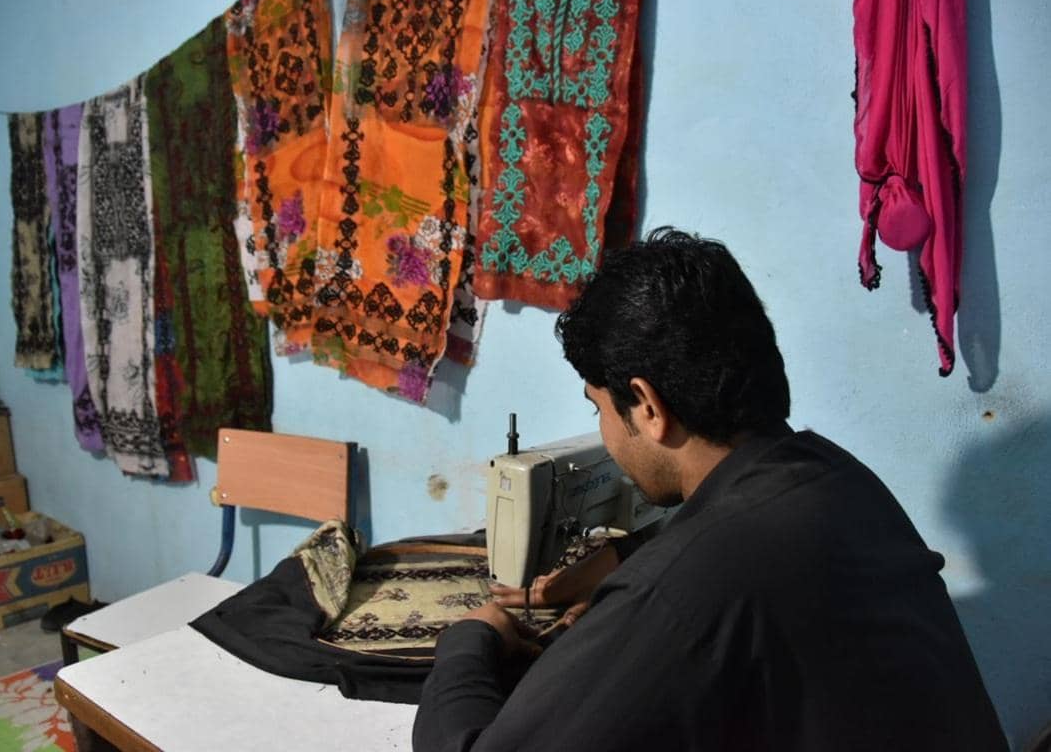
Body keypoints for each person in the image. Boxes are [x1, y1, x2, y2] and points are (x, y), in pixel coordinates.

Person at [412, 227, 1007, 751]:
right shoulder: (838, 480)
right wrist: (618, 566)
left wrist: (472, 638)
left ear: (646, 405)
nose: (604, 432)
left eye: (598, 409)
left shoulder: (685, 591)